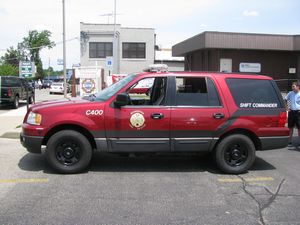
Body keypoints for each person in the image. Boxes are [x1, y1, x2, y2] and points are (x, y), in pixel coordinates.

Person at [285, 82, 300, 148]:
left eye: (293, 86)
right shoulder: (290, 93)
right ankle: (290, 142)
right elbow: (285, 99)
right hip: (291, 112)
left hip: (298, 113)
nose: (292, 87)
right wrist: (287, 107)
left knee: (299, 128)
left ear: (298, 87)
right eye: (292, 86)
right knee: (290, 128)